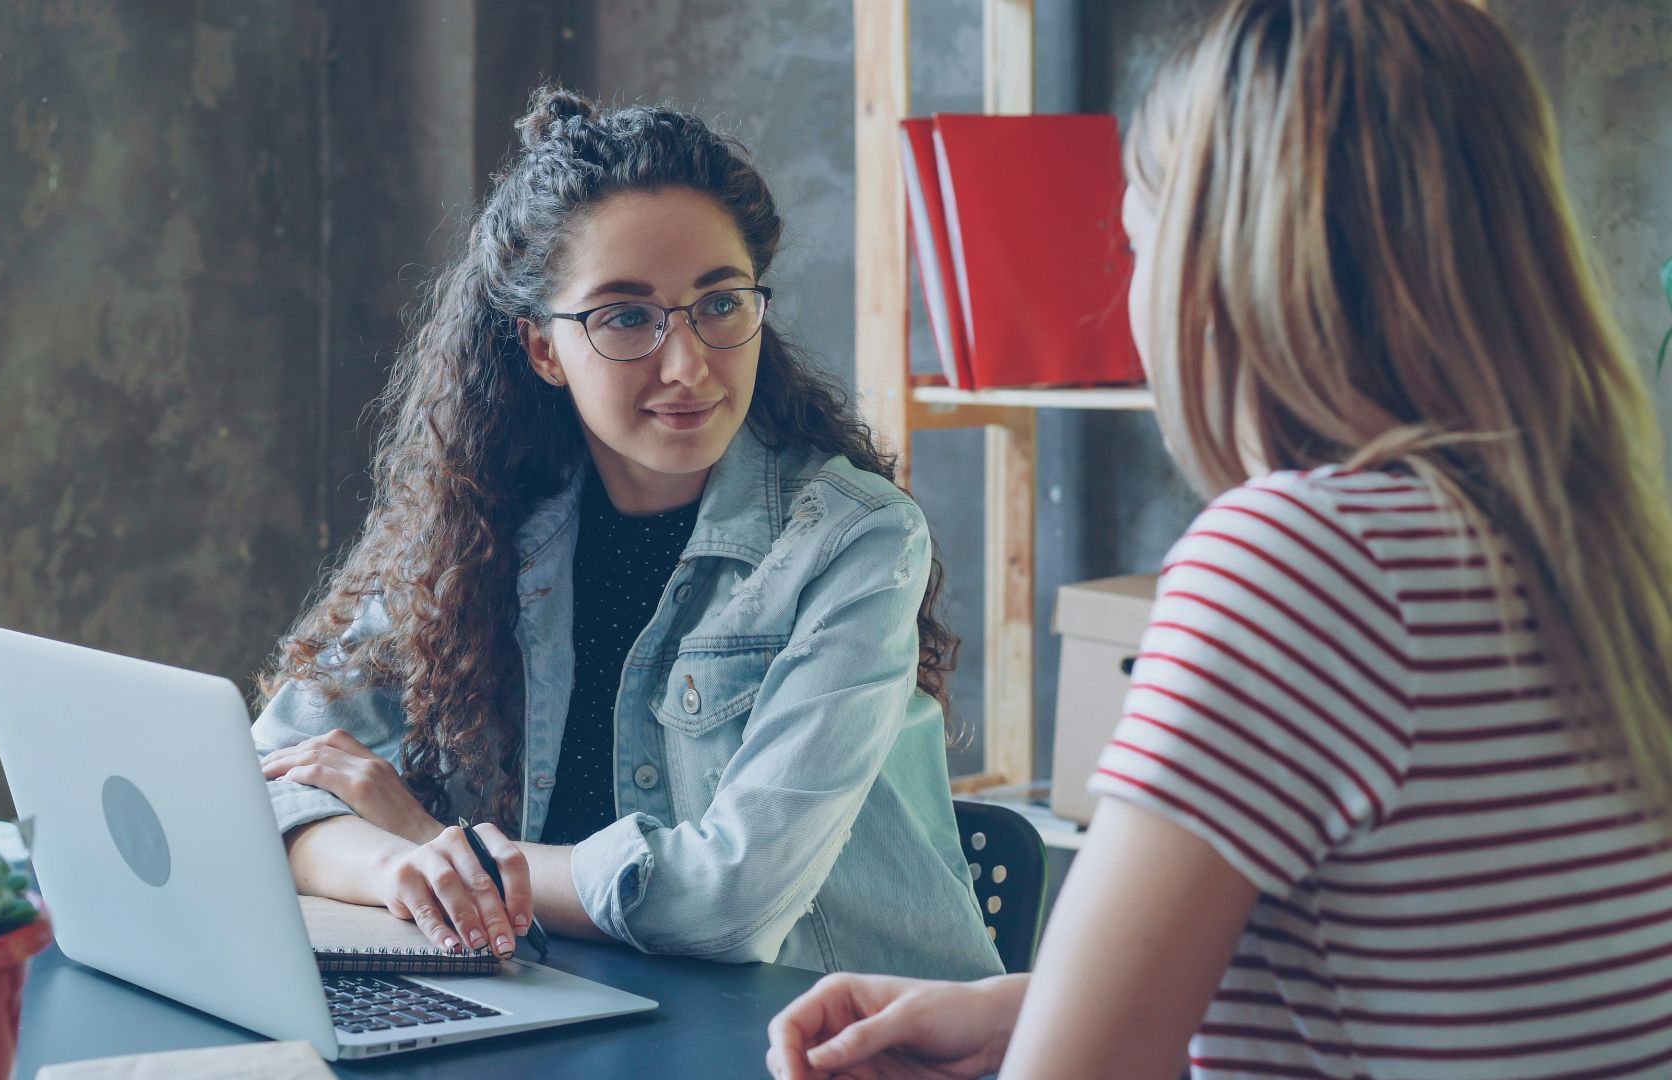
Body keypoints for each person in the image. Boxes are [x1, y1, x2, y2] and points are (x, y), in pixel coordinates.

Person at [767, 0, 1672, 1075]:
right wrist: (1026, 1004)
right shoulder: (1587, 547)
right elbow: (1433, 993)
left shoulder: (1302, 560)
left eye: (1134, 241)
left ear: (1228, 265)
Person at [249, 87, 1002, 982]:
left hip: (842, 1043)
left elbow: (730, 901)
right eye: (625, 316)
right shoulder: (473, 520)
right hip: (580, 1011)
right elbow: (264, 787)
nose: (687, 366)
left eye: (720, 305)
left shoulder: (856, 542)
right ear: (541, 349)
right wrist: (399, 866)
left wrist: (450, 849)